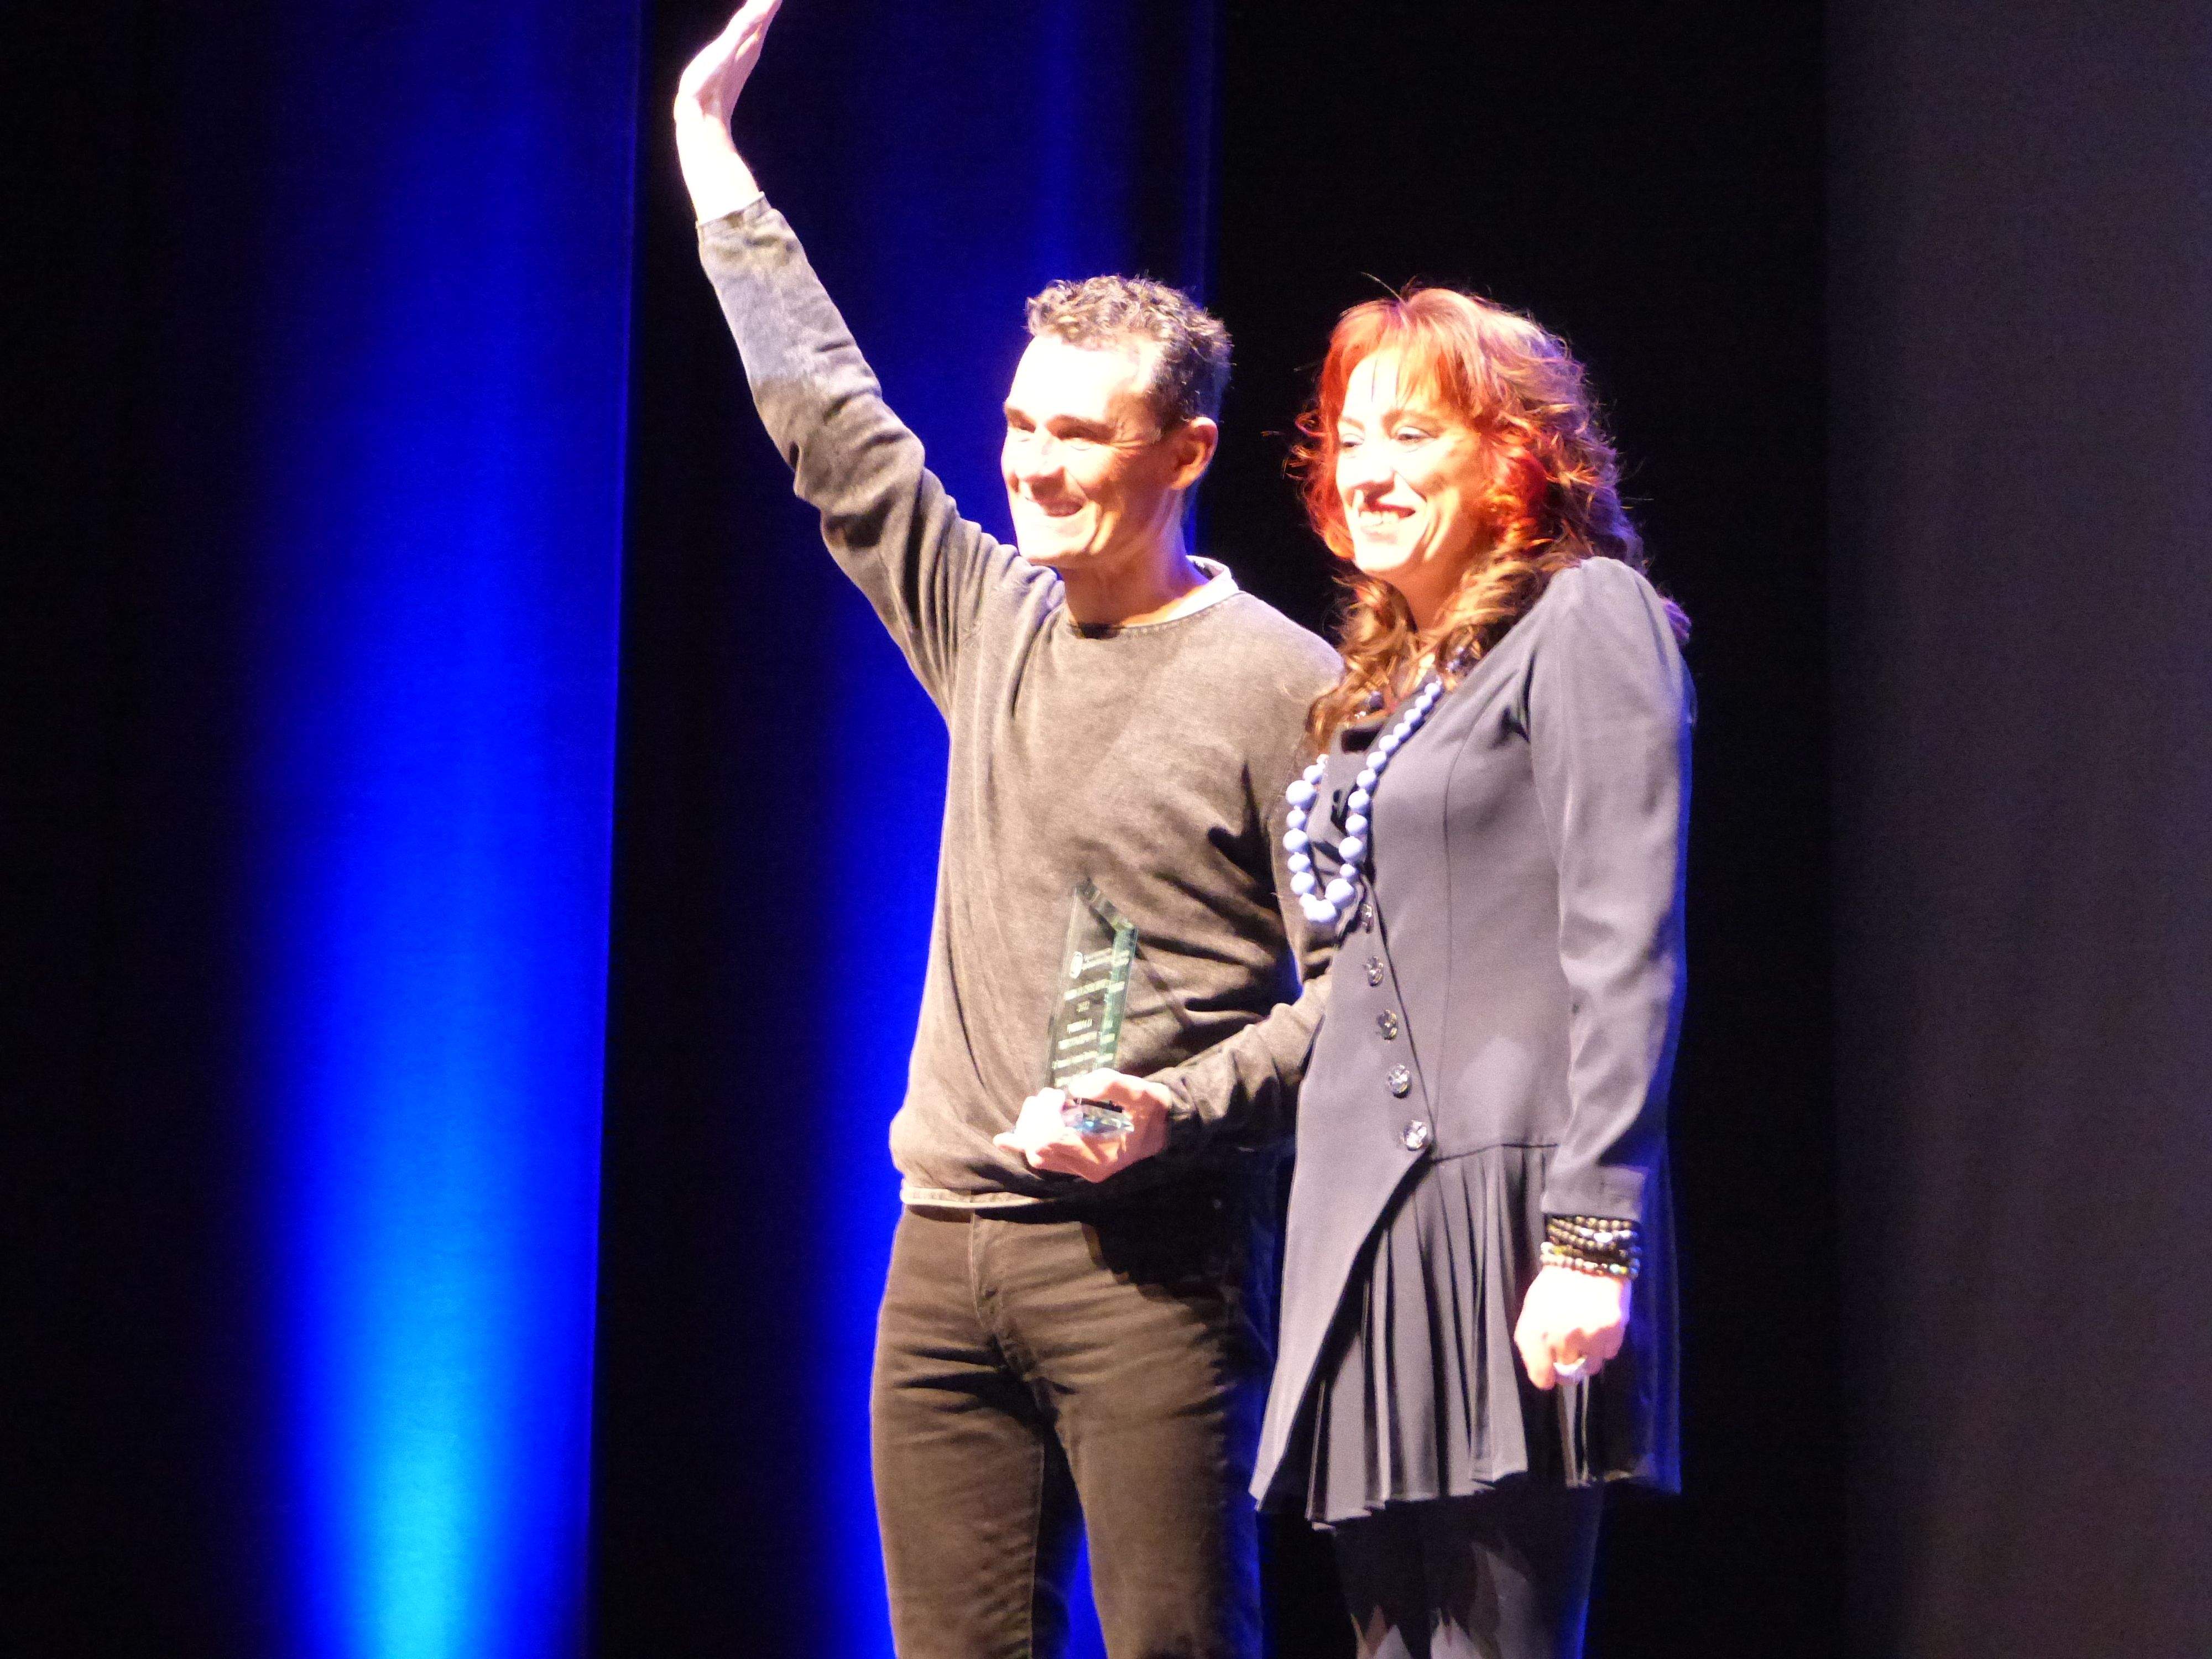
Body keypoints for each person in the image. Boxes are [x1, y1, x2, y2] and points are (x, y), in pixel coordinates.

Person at [672, 6, 1340, 1656]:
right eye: (1023, 426)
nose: (1035, 470)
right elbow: (835, 425)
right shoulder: (989, 617)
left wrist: (1169, 1112)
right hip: (943, 1254)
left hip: (1154, 1276)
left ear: (1184, 453)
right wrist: (714, 170)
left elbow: (1371, 997)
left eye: (1082, 438)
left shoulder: (1288, 686)